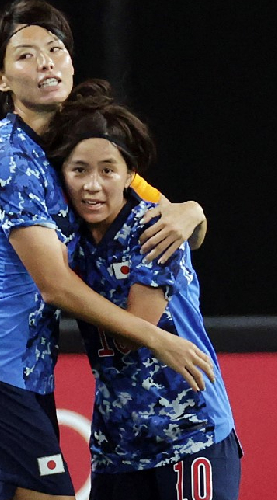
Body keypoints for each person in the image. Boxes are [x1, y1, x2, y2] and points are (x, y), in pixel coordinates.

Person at [0, 2, 214, 499]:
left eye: (55, 50)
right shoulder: (9, 159)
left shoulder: (71, 154)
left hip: (29, 380)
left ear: (72, 64)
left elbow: (165, 218)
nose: (46, 64)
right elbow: (53, 285)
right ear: (1, 80)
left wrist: (192, 212)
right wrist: (154, 337)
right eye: (26, 56)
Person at [43, 79, 240, 500]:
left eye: (107, 171)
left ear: (130, 175)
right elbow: (19, 288)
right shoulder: (65, 238)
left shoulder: (155, 228)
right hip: (118, 449)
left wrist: (58, 286)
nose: (92, 185)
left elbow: (131, 334)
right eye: (79, 171)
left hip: (191, 436)